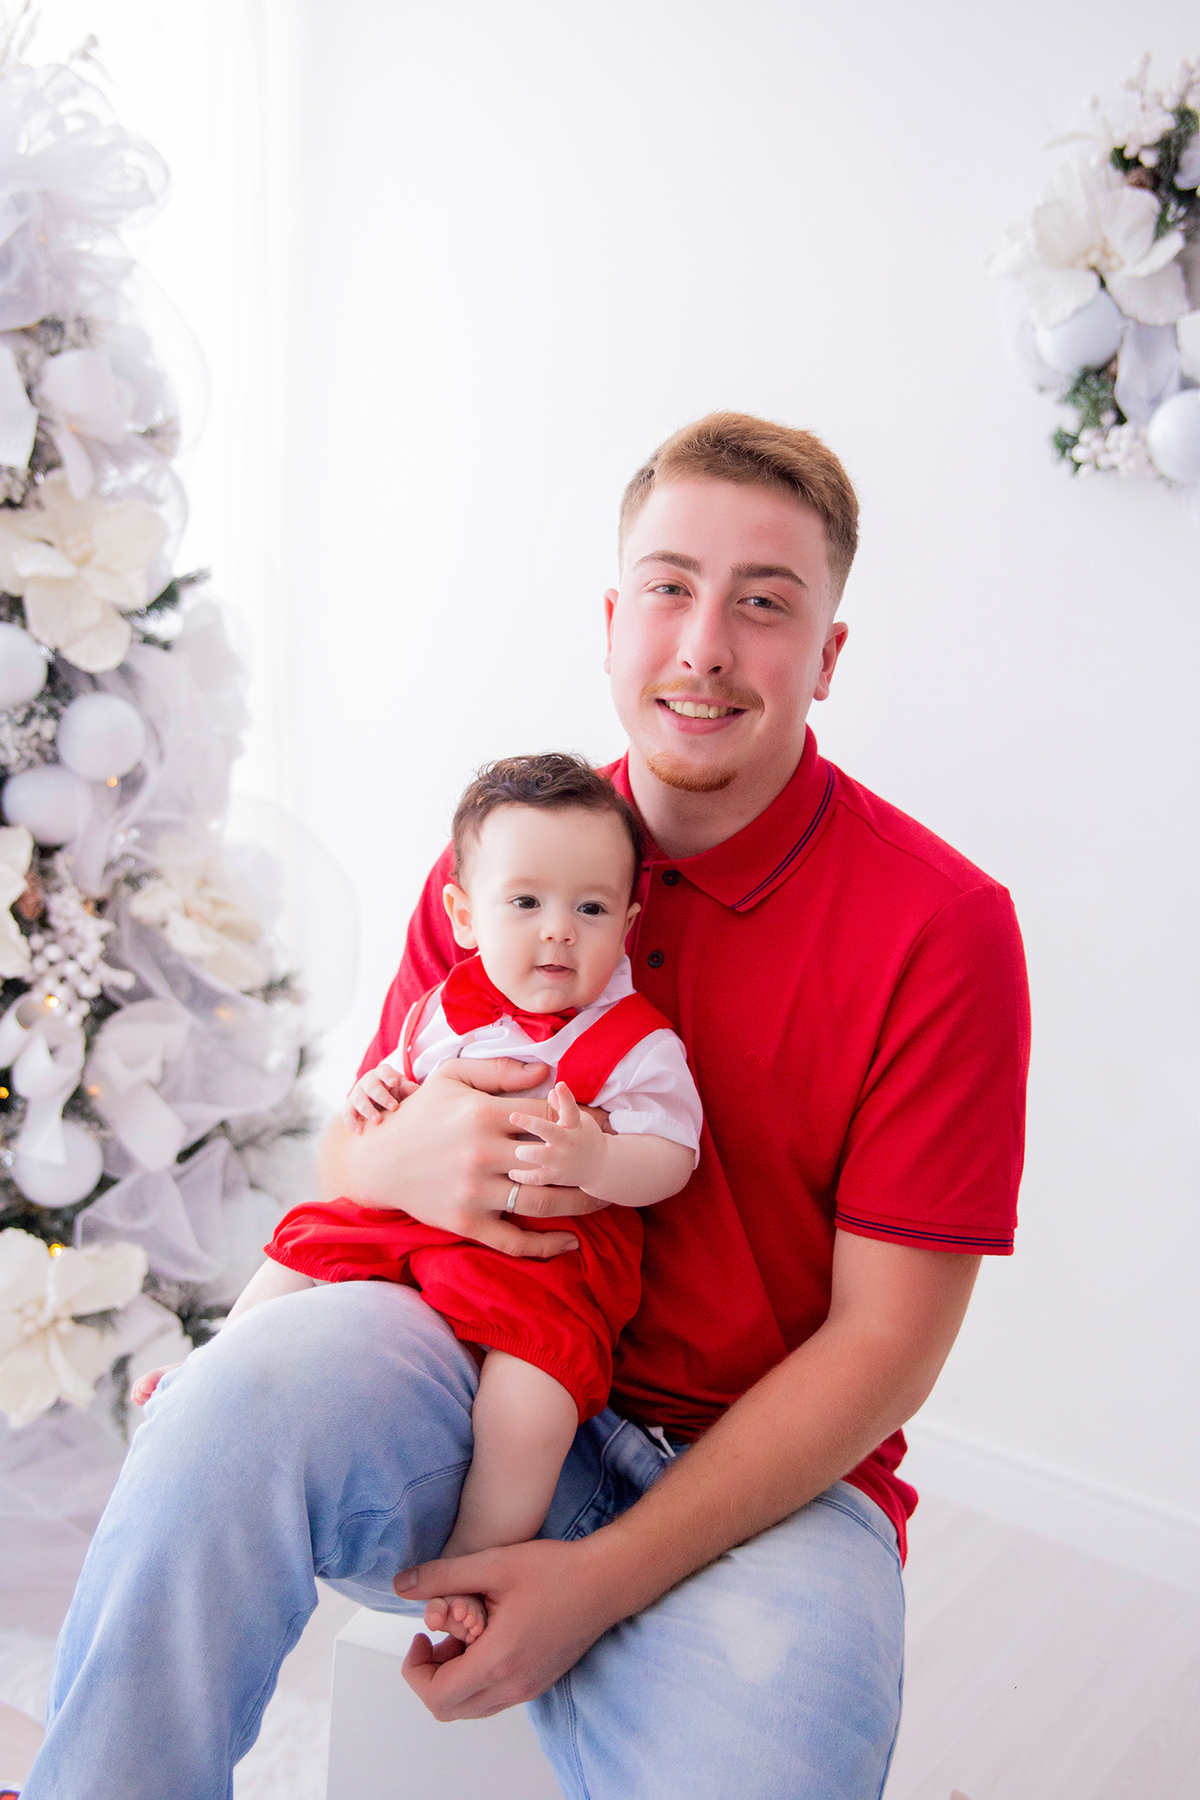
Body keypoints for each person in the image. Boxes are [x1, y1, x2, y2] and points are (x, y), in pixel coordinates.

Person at [23, 412, 1030, 1800]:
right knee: (220, 1411)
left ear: (830, 655)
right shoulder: (513, 860)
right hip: (461, 1367)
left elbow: (885, 1347)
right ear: (613, 623)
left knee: (772, 1763)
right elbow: (355, 1157)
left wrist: (599, 1580)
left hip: (769, 1485)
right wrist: (395, 1164)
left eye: (764, 604)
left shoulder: (943, 928)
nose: (704, 647)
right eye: (669, 588)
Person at [130, 752, 702, 1647]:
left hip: (546, 1263)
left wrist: (600, 1156)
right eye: (527, 903)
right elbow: (398, 1080)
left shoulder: (638, 1043)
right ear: (464, 916)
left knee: (534, 1400)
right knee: (303, 1245)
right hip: (416, 1221)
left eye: (590, 909)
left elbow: (673, 1158)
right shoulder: (445, 1007)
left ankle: (478, 1558)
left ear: (628, 923)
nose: (559, 932)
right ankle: (208, 1377)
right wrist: (376, 1097)